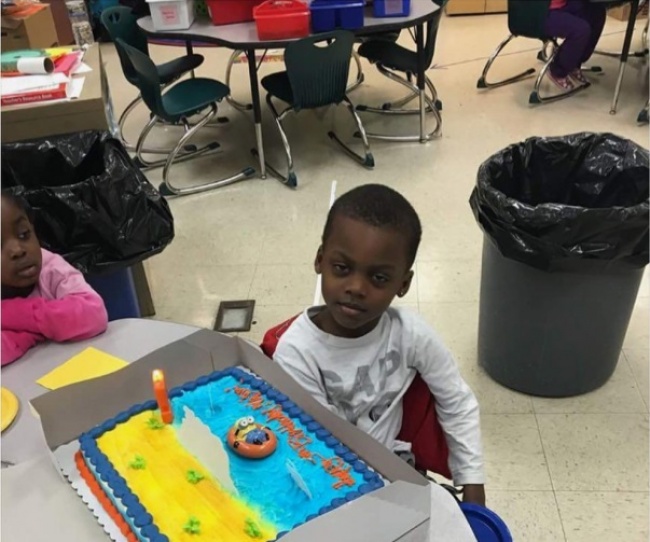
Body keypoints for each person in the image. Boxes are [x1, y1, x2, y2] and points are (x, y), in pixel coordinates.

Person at [273, 184, 486, 505]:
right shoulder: (296, 352)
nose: (356, 287)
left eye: (379, 278)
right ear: (319, 260)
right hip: (325, 482)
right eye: (342, 268)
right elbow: (316, 443)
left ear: (403, 284)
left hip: (396, 471)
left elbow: (456, 401)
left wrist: (472, 485)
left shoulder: (410, 334)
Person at [1, 193, 108, 366]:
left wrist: (10, 313)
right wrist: (28, 335)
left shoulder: (51, 269)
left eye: (23, 234)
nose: (18, 250)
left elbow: (93, 314)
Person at [545, 0, 607, 90]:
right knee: (581, 30)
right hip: (543, 10)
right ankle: (557, 70)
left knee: (597, 13)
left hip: (565, 4)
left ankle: (574, 63)